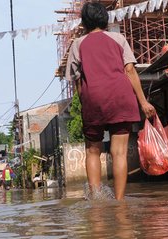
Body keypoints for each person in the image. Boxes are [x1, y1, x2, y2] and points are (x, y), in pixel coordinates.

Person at [65, 2, 156, 200]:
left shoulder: (78, 44)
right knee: (119, 153)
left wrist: (85, 102)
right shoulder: (118, 38)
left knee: (93, 151)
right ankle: (120, 201)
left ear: (84, 22)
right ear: (105, 19)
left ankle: (96, 204)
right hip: (121, 97)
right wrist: (143, 102)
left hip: (93, 99)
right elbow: (130, 70)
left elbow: (77, 81)